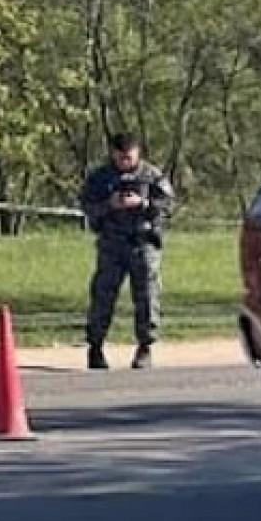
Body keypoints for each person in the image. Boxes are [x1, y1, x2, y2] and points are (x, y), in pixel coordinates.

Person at [78, 133, 175, 370]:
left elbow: (168, 205)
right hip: (112, 245)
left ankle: (145, 347)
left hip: (143, 243)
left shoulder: (151, 176)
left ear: (137, 153)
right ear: (113, 154)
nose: (125, 162)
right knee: (103, 296)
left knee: (147, 296)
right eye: (120, 158)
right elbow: (86, 205)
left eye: (129, 158)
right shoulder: (101, 178)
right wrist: (109, 205)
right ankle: (96, 347)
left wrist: (142, 203)